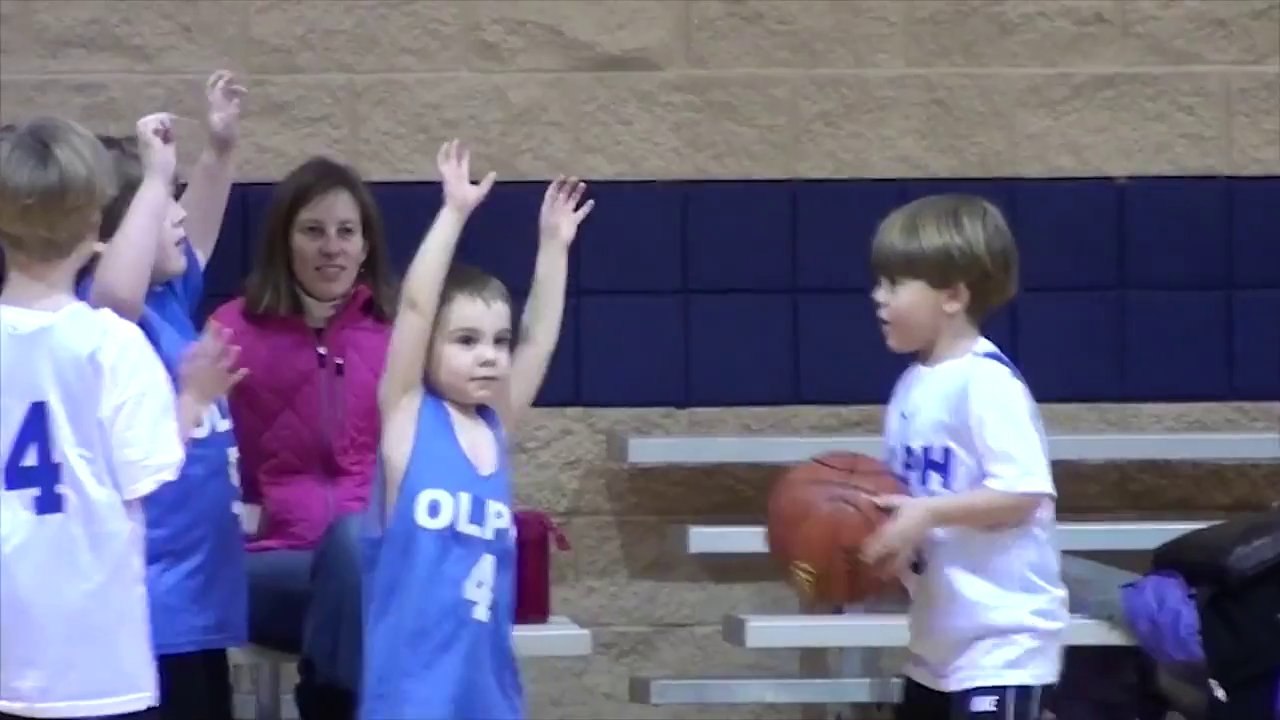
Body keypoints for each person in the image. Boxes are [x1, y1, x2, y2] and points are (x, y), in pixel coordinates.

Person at [0, 116, 237, 719]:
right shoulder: (110, 343)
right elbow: (150, 469)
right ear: (93, 223)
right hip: (96, 663)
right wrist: (192, 399)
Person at [359, 140, 593, 720]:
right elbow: (416, 306)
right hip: (409, 695)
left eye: (496, 341)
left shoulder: (494, 427)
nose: (488, 356)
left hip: (487, 692)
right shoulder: (408, 416)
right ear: (432, 346)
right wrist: (454, 212)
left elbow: (538, 337)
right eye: (466, 341)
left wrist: (553, 248)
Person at [859, 194, 1069, 720]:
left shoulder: (985, 382)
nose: (877, 297)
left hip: (1004, 644)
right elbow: (918, 505)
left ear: (952, 295)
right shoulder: (912, 386)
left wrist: (928, 513)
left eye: (894, 284)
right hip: (936, 643)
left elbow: (1023, 493)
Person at [79, 71, 249, 720]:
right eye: (159, 208)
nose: (176, 213)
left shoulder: (168, 298)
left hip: (201, 598)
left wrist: (220, 151)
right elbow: (113, 296)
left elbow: (198, 228)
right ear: (107, 237)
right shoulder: (104, 320)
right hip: (151, 602)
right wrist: (153, 179)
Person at [208, 155, 397, 719]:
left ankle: (327, 701)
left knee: (348, 546)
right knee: (341, 591)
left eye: (346, 232)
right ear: (284, 241)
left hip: (372, 561)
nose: (331, 248)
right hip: (271, 564)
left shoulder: (399, 333)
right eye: (313, 231)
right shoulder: (231, 331)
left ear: (366, 245)